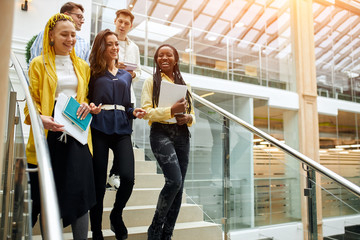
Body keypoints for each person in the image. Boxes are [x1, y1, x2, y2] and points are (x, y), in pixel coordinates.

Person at [24, 13, 101, 239]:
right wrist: (40, 119)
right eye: (64, 34)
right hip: (50, 135)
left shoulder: (83, 66)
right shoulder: (38, 64)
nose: (70, 39)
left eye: (73, 35)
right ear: (51, 37)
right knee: (49, 194)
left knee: (81, 194)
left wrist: (88, 107)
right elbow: (31, 101)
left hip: (77, 135)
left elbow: (84, 97)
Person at [88, 29, 146, 240]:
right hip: (99, 128)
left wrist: (134, 112)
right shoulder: (92, 73)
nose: (114, 47)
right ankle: (96, 230)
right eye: (109, 44)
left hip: (122, 129)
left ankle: (116, 214)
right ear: (101, 48)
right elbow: (86, 99)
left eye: (116, 44)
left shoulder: (125, 75)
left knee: (128, 178)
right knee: (97, 182)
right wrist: (91, 106)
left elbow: (127, 105)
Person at [141, 44, 195, 240]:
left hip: (181, 135)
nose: (164, 58)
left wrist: (187, 118)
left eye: (168, 55)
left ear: (176, 59)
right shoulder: (151, 81)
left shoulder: (185, 84)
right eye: (160, 55)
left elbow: (192, 114)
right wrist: (170, 111)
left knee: (179, 188)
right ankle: (154, 229)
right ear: (156, 59)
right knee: (174, 181)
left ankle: (167, 234)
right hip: (160, 133)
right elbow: (147, 112)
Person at [107, 9, 142, 189]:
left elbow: (139, 72)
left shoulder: (134, 47)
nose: (122, 25)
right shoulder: (105, 41)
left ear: (130, 26)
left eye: (126, 23)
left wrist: (132, 73)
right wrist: (113, 66)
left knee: (125, 137)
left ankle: (114, 173)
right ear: (115, 21)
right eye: (120, 21)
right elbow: (94, 65)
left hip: (128, 98)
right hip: (107, 97)